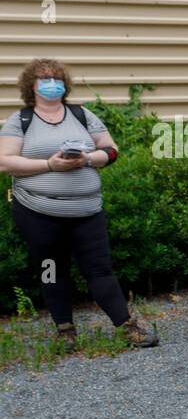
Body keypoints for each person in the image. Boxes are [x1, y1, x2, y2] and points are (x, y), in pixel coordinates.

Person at [0, 59, 158, 348]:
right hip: (37, 213)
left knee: (100, 270)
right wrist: (49, 164)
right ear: (31, 87)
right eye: (44, 79)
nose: (52, 83)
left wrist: (87, 159)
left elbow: (111, 150)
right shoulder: (20, 120)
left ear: (65, 84)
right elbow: (5, 161)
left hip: (87, 211)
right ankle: (65, 330)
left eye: (56, 78)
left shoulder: (81, 115)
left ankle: (127, 326)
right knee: (51, 269)